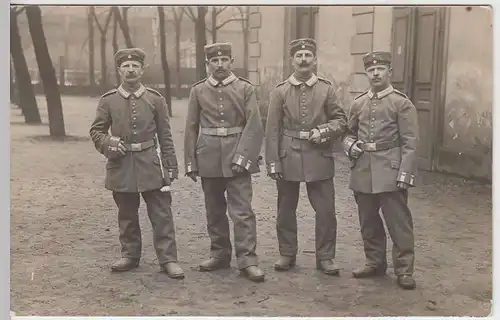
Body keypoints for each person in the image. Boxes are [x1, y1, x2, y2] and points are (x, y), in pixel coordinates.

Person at [89, 48, 184, 279]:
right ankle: (130, 255)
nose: (130, 70)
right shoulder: (108, 101)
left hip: (150, 162)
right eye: (126, 66)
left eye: (135, 66)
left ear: (142, 70)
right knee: (127, 214)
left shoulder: (155, 99)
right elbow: (96, 131)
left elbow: (165, 135)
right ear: (119, 70)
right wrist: (109, 143)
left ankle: (168, 259)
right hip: (121, 165)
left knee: (161, 213)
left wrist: (170, 166)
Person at [184, 42, 265, 282]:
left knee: (242, 211)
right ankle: (219, 254)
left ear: (231, 61)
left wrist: (244, 156)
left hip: (236, 155)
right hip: (208, 155)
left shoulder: (245, 88)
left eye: (224, 60)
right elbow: (190, 127)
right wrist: (191, 161)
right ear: (207, 64)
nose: (220, 65)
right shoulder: (198, 91)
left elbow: (254, 125)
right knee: (214, 209)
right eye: (214, 61)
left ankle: (248, 260)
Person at [265, 38, 347, 275]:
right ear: (292, 60)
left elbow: (341, 121)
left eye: (307, 56)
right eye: (299, 56)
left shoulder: (326, 89)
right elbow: (272, 129)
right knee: (285, 209)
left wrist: (323, 131)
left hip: (318, 154)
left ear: (314, 60)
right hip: (288, 154)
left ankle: (325, 256)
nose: (303, 60)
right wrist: (273, 161)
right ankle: (287, 253)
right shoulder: (280, 91)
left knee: (325, 211)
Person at [343, 50, 418, 290]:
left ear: (389, 72)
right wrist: (351, 145)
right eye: (371, 70)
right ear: (367, 73)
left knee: (398, 222)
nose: (375, 74)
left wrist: (405, 174)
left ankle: (404, 270)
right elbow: (348, 133)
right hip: (363, 169)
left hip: (390, 169)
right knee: (368, 221)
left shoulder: (401, 103)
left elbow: (410, 141)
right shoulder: (358, 103)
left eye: (380, 69)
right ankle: (374, 262)